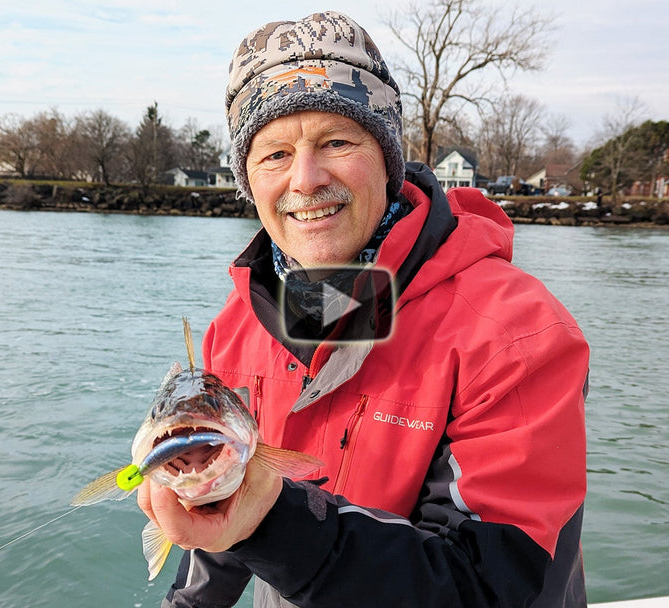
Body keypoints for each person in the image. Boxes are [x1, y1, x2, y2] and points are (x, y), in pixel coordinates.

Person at [137, 11, 589, 608]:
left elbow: (489, 587)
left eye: (336, 141)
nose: (305, 179)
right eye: (273, 154)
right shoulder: (238, 328)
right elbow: (222, 533)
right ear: (247, 178)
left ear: (386, 156)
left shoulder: (517, 333)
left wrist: (271, 520)